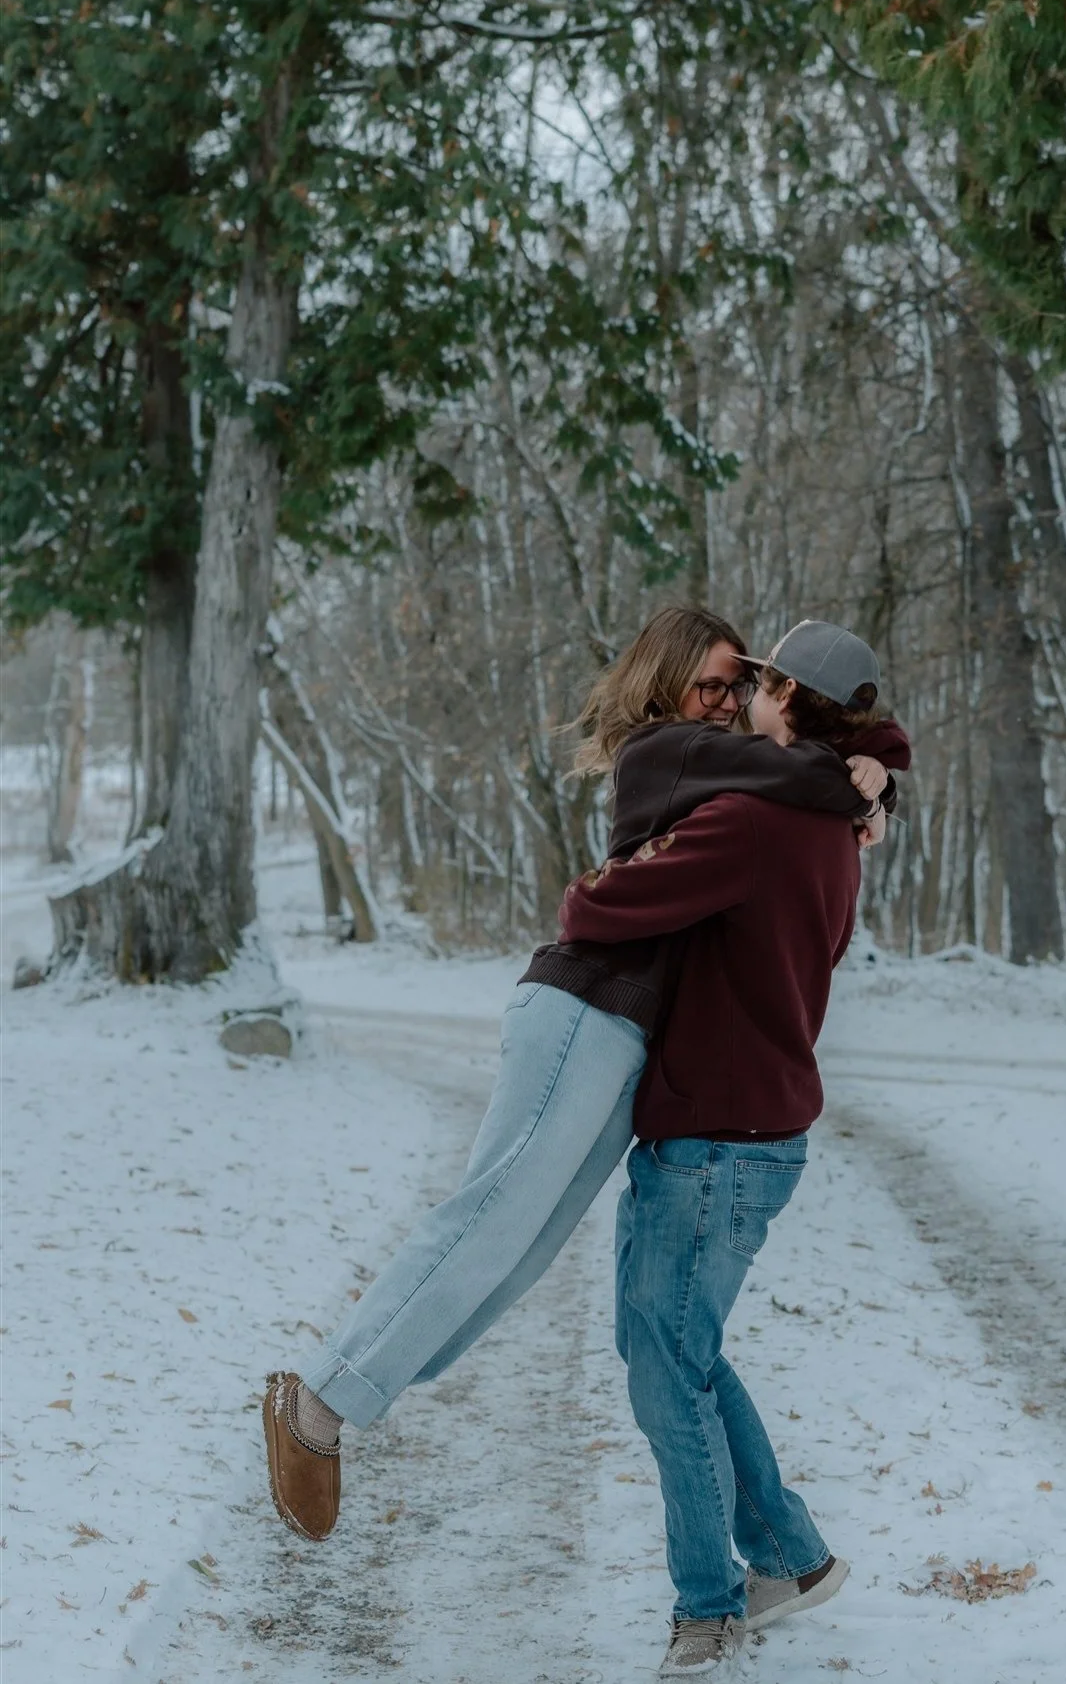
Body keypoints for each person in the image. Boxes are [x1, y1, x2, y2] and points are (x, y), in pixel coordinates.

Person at [263, 608, 909, 1545]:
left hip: (626, 1036)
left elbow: (820, 749)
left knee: (522, 1255)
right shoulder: (666, 750)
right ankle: (322, 1404)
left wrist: (877, 771)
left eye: (740, 687)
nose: (725, 703)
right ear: (668, 679)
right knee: (488, 1218)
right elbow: (795, 769)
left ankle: (367, 1387)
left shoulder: (735, 764)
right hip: (584, 1008)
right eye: (713, 683)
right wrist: (867, 777)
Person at [556, 619, 893, 1677]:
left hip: (717, 1137)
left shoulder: (753, 821)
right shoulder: (830, 820)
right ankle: (788, 1552)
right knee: (673, 1350)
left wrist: (628, 864)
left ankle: (709, 1608)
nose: (739, 698)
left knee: (666, 1365)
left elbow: (601, 906)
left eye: (757, 684)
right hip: (744, 1128)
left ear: (787, 700)